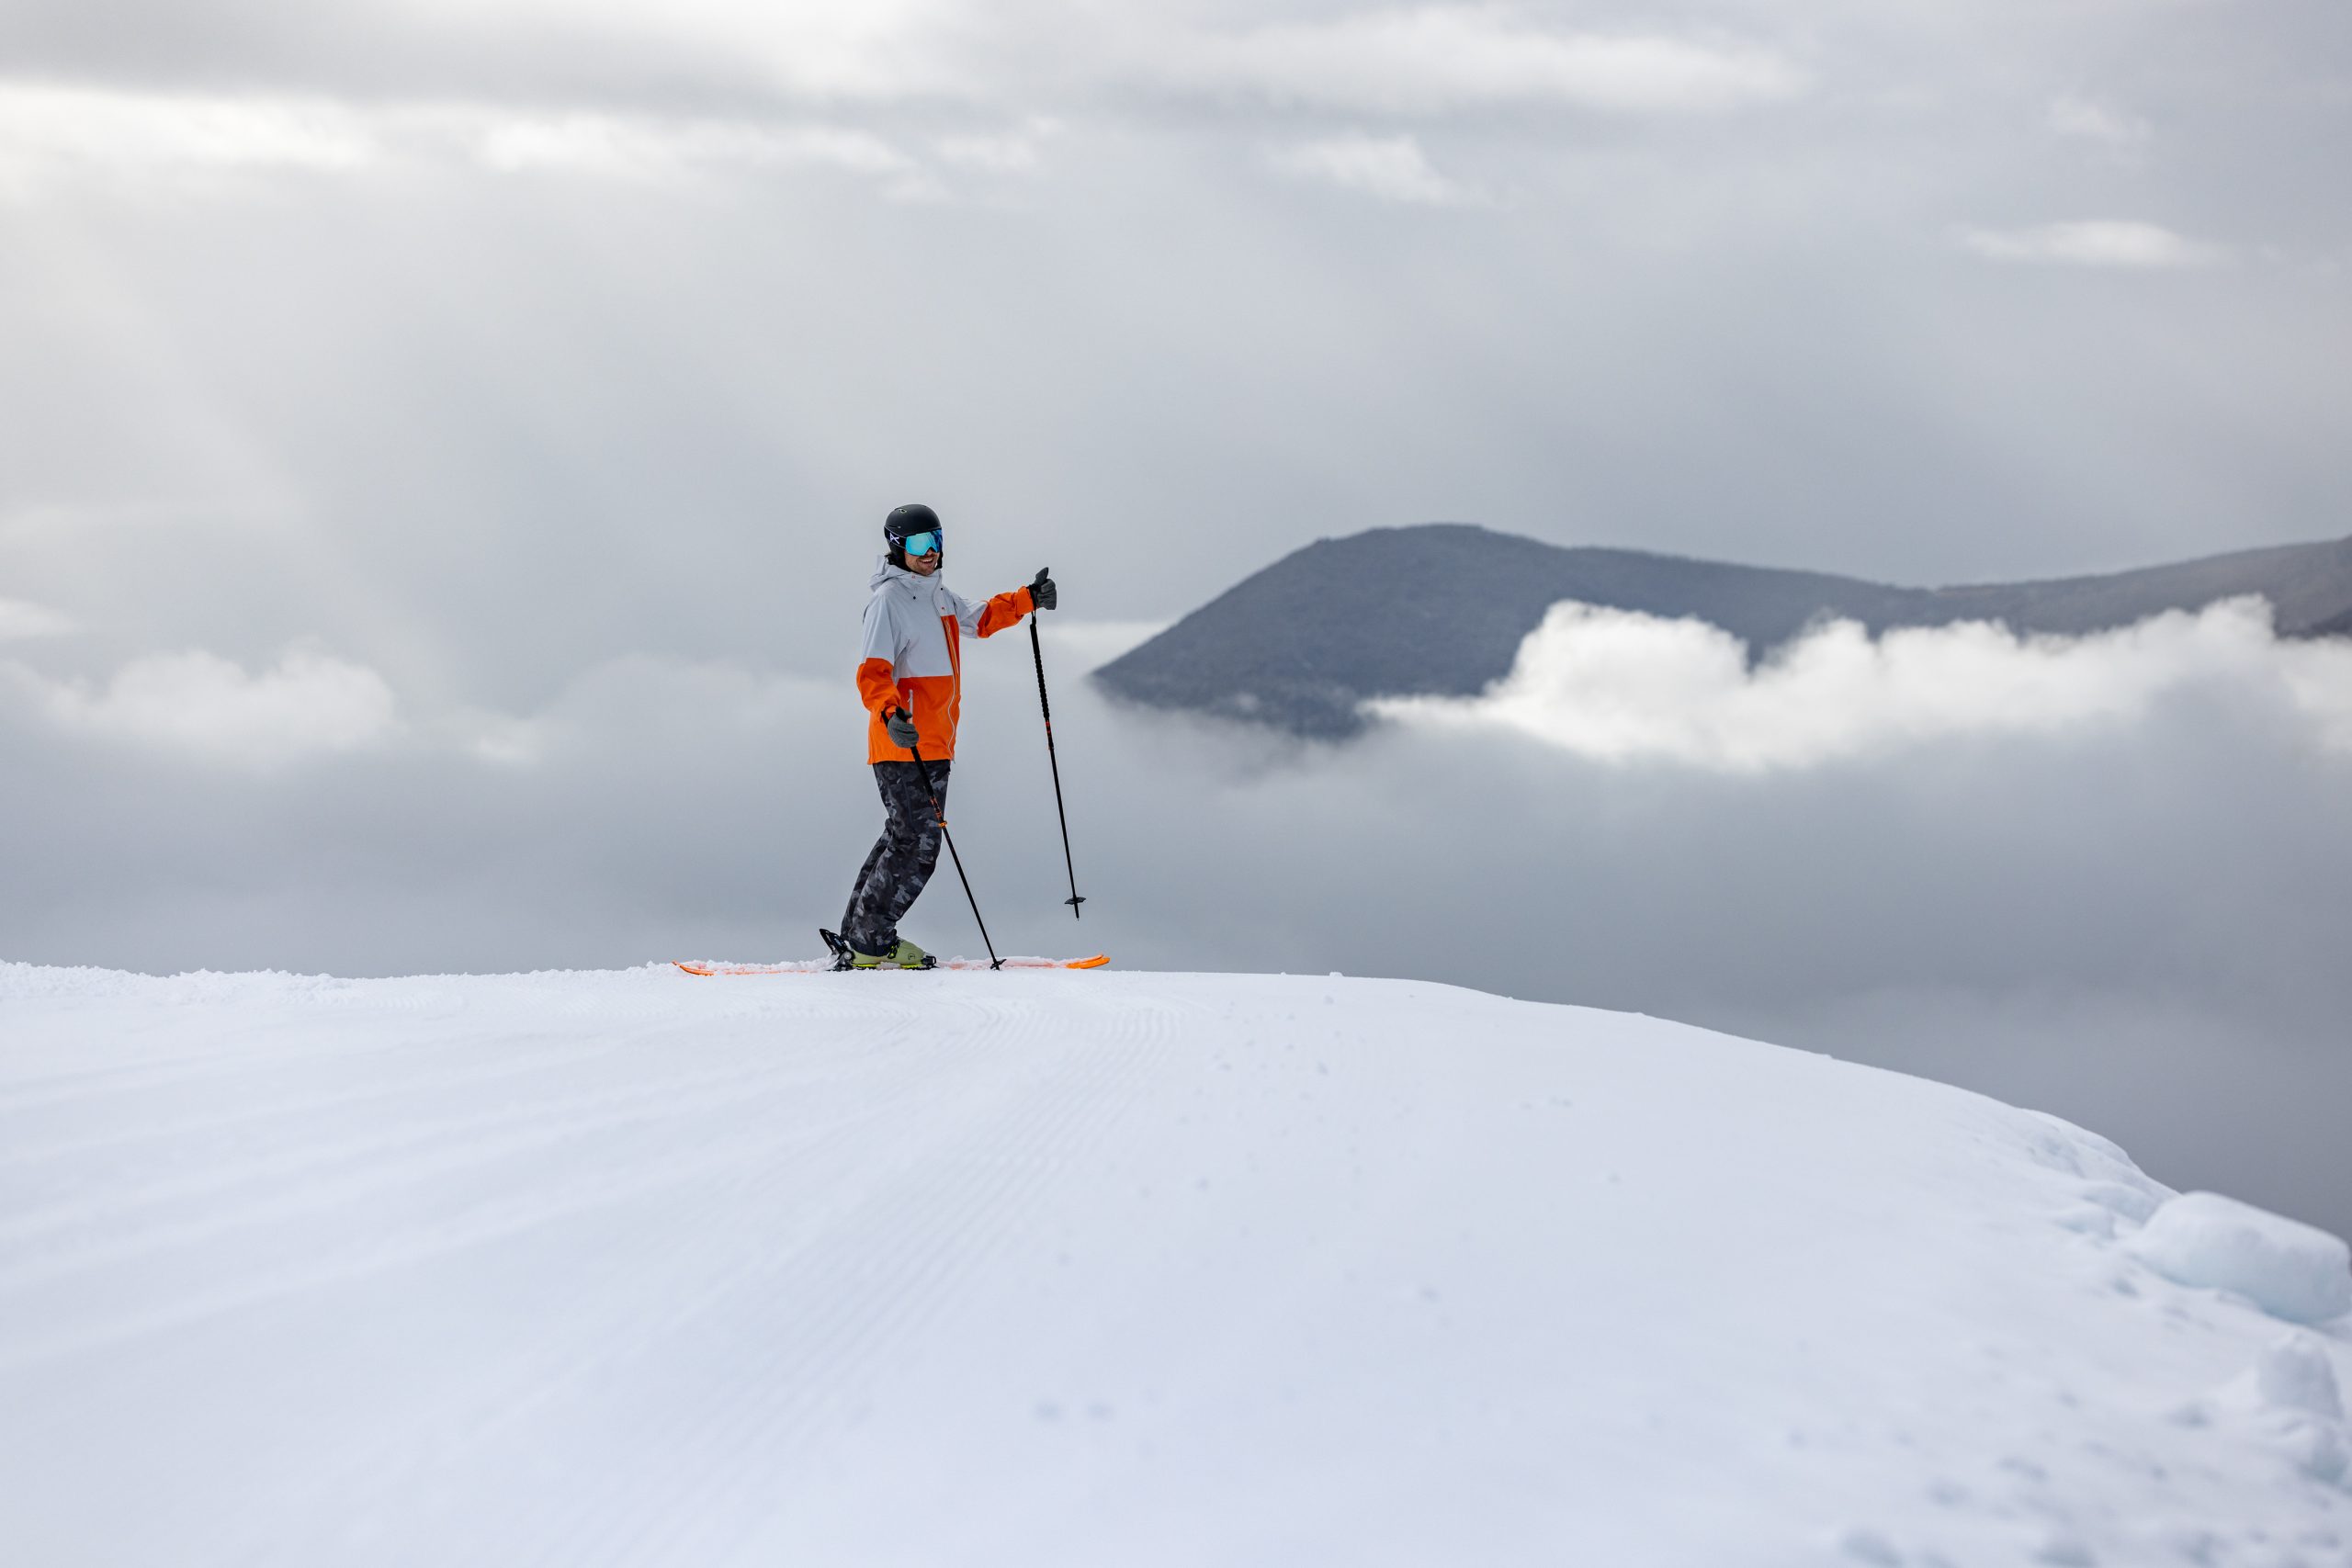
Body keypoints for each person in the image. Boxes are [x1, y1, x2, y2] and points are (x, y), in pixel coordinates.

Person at [840, 503, 1056, 968]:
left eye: (936, 539)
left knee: (902, 837)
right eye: (919, 544)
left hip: (935, 743)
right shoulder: (889, 602)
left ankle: (859, 935)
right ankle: (871, 943)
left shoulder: (937, 597)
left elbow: (979, 619)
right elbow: (872, 673)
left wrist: (1027, 598)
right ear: (897, 548)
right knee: (918, 847)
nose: (931, 551)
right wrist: (890, 712)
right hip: (903, 740)